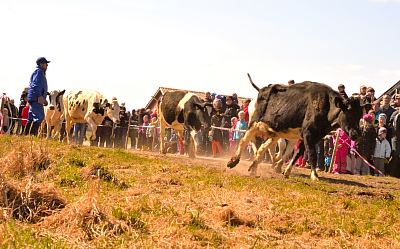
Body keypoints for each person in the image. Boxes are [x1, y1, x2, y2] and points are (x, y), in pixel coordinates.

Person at [26, 57, 50, 135]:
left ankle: (26, 134)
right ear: (41, 64)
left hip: (34, 97)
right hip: (36, 98)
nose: (47, 66)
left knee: (31, 118)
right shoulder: (39, 72)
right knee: (40, 116)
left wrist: (44, 98)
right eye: (46, 64)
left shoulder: (38, 72)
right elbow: (35, 85)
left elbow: (39, 87)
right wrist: (40, 96)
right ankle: (32, 135)